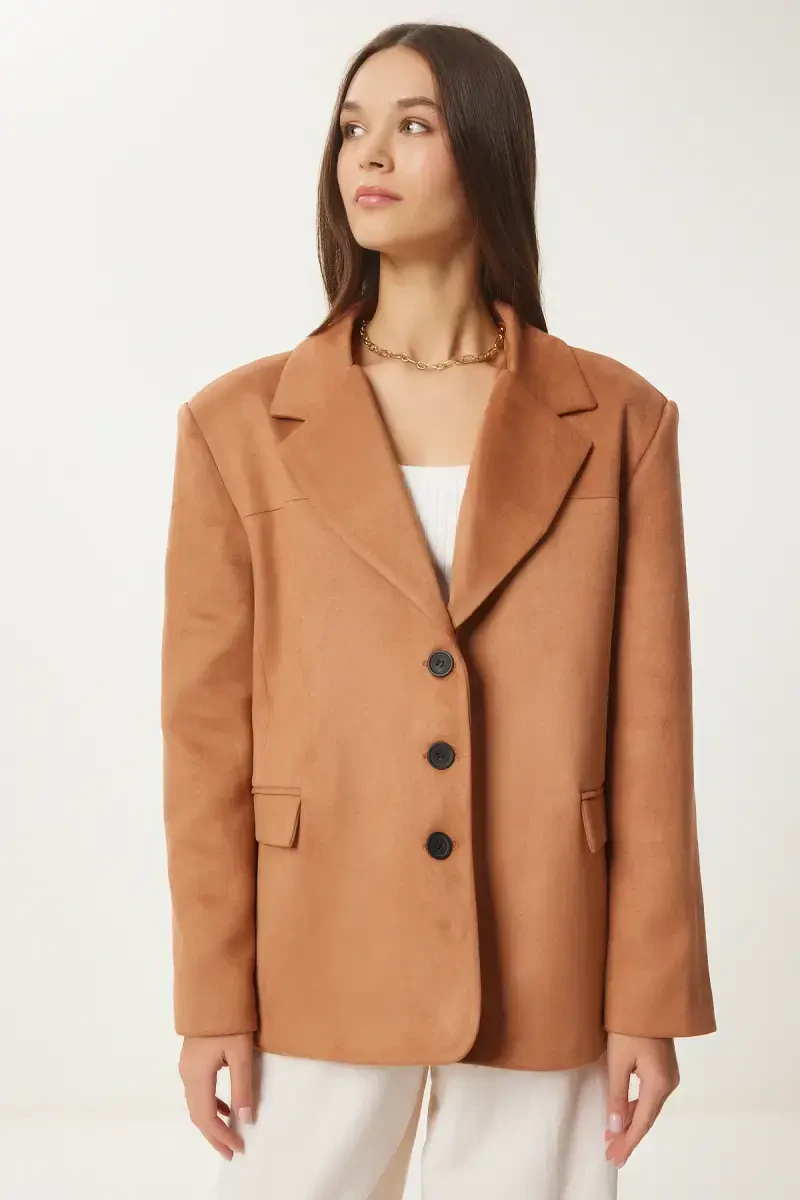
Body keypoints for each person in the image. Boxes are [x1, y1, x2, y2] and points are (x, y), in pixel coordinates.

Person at [160, 22, 717, 1199]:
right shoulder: (234, 426)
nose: (368, 154)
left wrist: (647, 997)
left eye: (412, 124)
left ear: (487, 151)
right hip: (316, 939)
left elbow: (650, 732)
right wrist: (210, 998)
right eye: (351, 128)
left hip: (547, 940)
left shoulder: (620, 421)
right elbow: (204, 741)